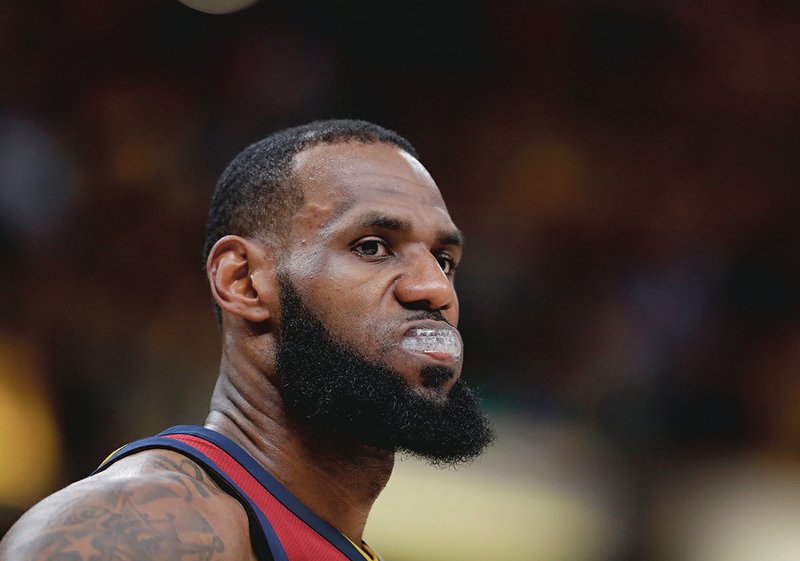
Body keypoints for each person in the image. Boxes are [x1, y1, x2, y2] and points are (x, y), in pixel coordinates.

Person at [0, 119, 494, 560]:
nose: (434, 289)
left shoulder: (316, 537)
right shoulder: (139, 529)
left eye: (444, 260)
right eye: (372, 247)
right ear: (243, 281)